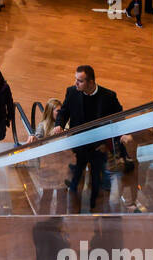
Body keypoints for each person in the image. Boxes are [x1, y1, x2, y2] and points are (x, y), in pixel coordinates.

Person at [52, 65, 126, 212]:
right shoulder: (72, 92)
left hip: (99, 147)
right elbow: (64, 111)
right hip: (78, 146)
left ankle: (95, 213)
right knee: (75, 180)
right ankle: (74, 213)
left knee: (96, 183)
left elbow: (119, 119)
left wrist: (108, 143)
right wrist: (59, 124)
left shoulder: (109, 96)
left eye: (79, 81)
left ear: (91, 82)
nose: (75, 83)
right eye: (75, 79)